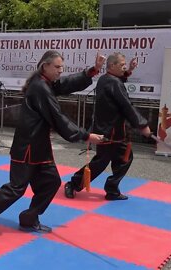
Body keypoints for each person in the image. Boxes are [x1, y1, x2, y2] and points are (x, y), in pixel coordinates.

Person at [0, 50, 105, 242]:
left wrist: (92, 71)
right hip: (26, 147)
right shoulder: (40, 88)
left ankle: (29, 218)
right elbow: (57, 116)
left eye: (62, 67)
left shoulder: (46, 83)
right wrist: (86, 136)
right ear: (45, 66)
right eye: (57, 67)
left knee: (51, 183)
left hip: (40, 147)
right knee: (16, 188)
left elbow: (65, 84)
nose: (61, 70)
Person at [64, 52, 151, 201]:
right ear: (111, 66)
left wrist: (129, 70)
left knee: (125, 158)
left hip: (116, 131)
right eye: (122, 65)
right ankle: (73, 184)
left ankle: (112, 189)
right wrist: (142, 125)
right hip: (108, 131)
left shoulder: (107, 79)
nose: (124, 68)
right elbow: (126, 106)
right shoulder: (113, 82)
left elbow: (120, 80)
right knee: (100, 162)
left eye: (125, 65)